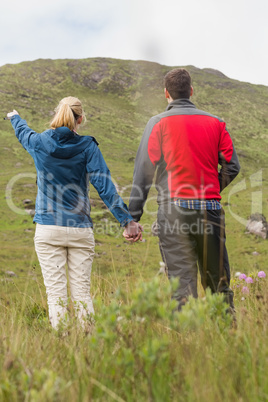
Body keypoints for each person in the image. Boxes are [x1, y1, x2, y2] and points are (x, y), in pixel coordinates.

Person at [7, 97, 142, 329]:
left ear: (57, 115)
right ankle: (88, 347)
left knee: (56, 295)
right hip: (80, 229)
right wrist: (126, 220)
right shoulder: (88, 146)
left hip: (48, 229)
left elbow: (23, 132)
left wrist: (15, 117)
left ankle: (62, 345)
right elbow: (105, 186)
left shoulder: (39, 142)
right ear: (80, 119)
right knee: (82, 293)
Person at [124, 68, 240, 312]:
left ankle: (187, 344)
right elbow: (232, 165)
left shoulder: (157, 123)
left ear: (166, 93)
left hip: (174, 210)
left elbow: (144, 171)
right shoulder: (216, 123)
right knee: (218, 282)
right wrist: (211, 189)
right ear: (191, 91)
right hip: (210, 210)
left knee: (182, 286)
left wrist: (132, 218)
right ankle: (227, 340)